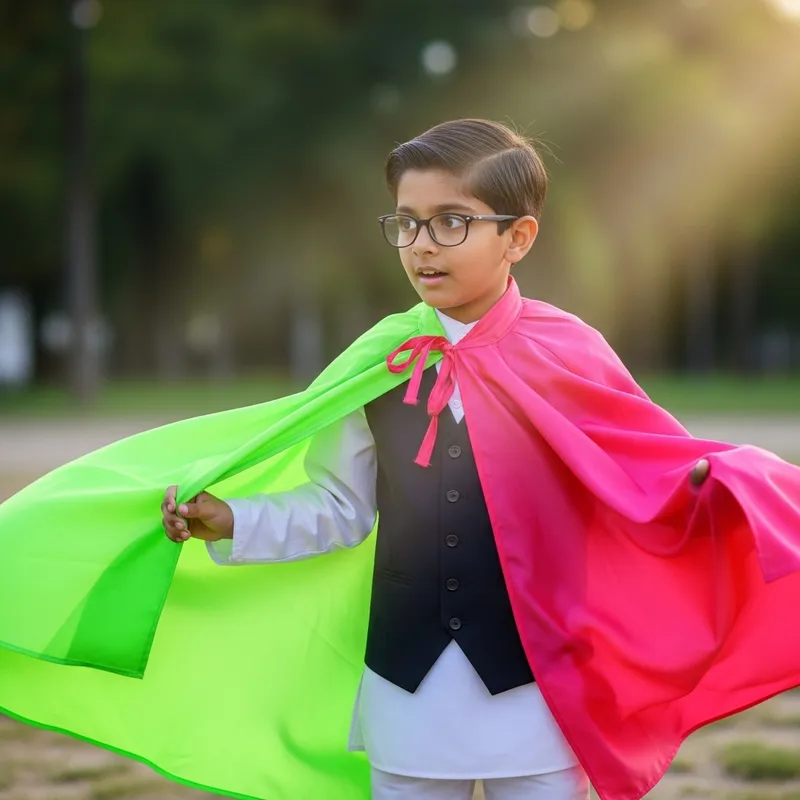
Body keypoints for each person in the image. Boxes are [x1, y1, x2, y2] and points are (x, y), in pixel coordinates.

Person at [160, 119, 713, 800]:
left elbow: (651, 480)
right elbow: (339, 509)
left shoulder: (572, 357)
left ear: (518, 237)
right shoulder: (377, 364)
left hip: (542, 688)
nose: (421, 244)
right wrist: (234, 520)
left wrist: (717, 496)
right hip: (407, 693)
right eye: (406, 223)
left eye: (451, 222)